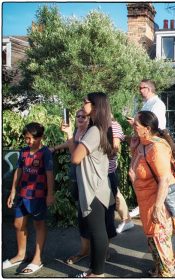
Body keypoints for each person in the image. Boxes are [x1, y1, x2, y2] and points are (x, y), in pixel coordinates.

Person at [129, 111, 175, 277]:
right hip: (146, 201)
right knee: (152, 239)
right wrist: (134, 146)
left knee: (160, 240)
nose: (133, 127)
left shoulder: (156, 147)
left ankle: (166, 273)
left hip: (158, 203)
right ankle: (158, 269)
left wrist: (156, 207)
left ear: (147, 129)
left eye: (136, 125)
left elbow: (163, 179)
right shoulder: (142, 143)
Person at [64, 92, 115, 277]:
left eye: (85, 102)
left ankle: (98, 272)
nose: (82, 104)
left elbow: (75, 158)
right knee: (96, 232)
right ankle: (94, 269)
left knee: (97, 232)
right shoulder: (98, 128)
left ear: (94, 106)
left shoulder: (94, 131)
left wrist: (71, 137)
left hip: (93, 188)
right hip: (97, 186)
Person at [4, 122, 55, 275]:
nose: (30, 141)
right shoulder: (23, 151)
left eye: (34, 138)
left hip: (38, 196)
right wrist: (13, 191)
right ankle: (21, 255)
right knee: (18, 224)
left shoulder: (45, 153)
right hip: (23, 194)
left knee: (39, 225)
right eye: (27, 138)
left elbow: (49, 175)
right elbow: (18, 171)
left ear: (41, 137)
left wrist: (50, 194)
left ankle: (37, 259)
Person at [51, 109, 91, 264]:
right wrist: (55, 147)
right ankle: (84, 251)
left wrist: (68, 135)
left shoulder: (91, 134)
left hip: (88, 180)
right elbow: (71, 144)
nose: (80, 118)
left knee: (93, 217)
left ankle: (101, 251)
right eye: (78, 116)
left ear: (89, 119)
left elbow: (76, 157)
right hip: (76, 178)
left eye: (84, 116)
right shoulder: (77, 132)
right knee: (82, 215)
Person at [128, 79, 167, 218]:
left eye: (141, 88)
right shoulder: (147, 104)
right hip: (143, 143)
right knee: (134, 173)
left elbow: (156, 125)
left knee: (155, 177)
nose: (139, 90)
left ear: (149, 89)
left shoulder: (157, 104)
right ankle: (143, 204)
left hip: (151, 143)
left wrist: (135, 123)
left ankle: (156, 207)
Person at [109, 117, 134, 234]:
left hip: (107, 169)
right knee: (115, 194)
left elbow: (115, 148)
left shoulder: (113, 125)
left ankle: (126, 220)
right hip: (103, 169)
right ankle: (126, 219)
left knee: (115, 194)